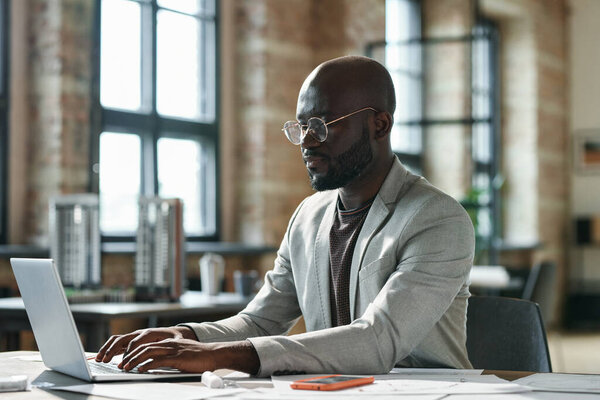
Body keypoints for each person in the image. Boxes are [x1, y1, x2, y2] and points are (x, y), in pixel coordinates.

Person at [96, 55, 475, 377]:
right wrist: (185, 336)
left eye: (323, 125)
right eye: (302, 126)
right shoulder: (308, 217)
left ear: (379, 124)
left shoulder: (438, 219)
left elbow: (377, 339)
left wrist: (222, 356)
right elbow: (259, 322)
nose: (308, 141)